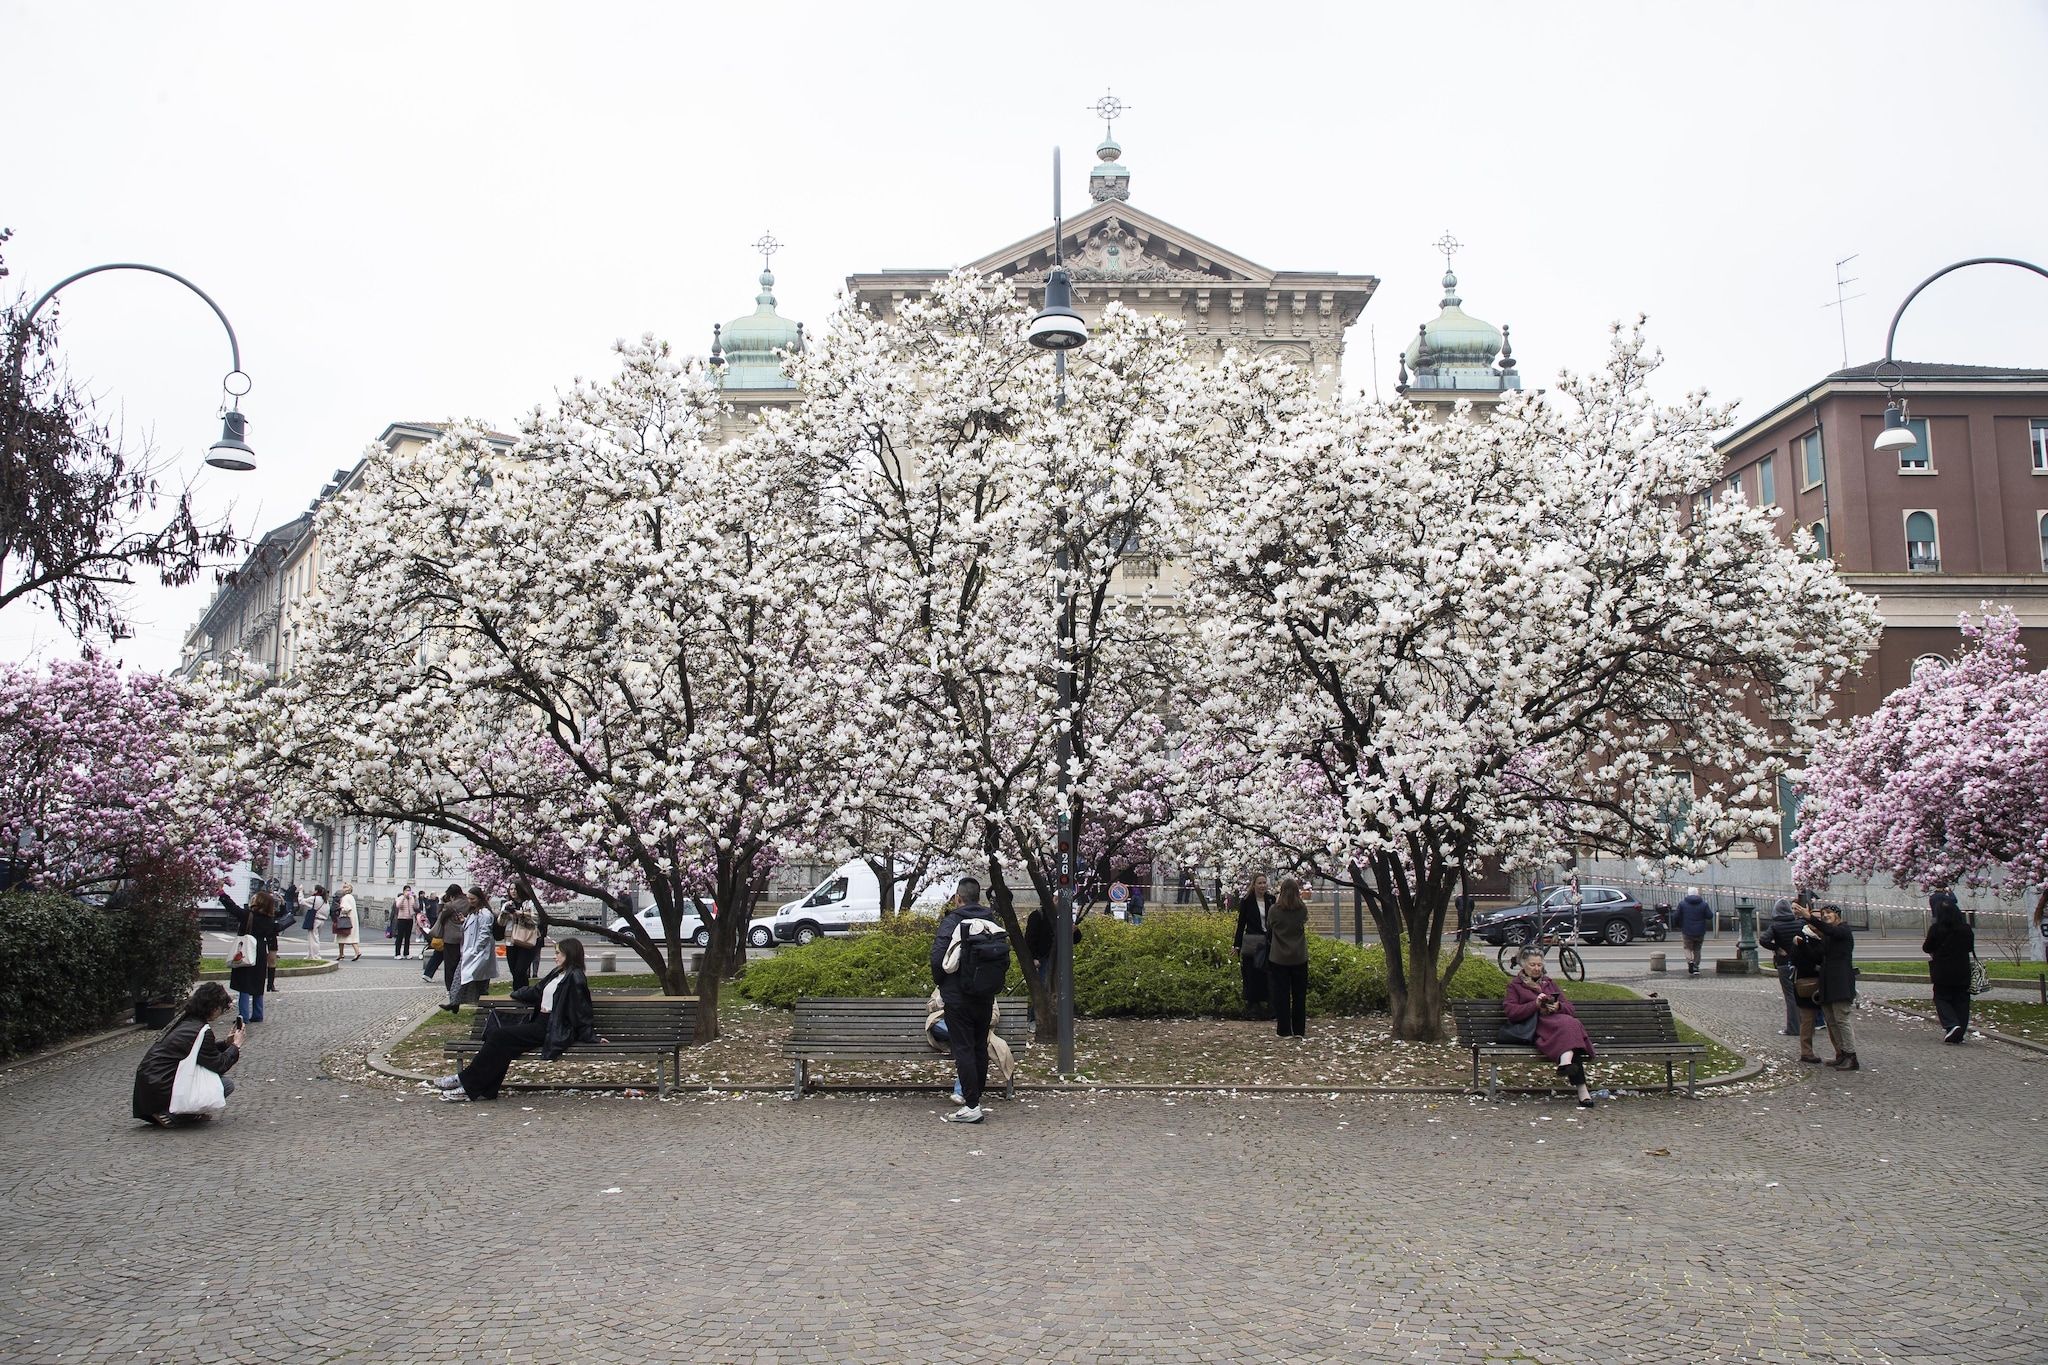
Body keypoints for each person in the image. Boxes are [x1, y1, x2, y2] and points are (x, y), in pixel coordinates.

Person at [432, 938, 601, 1101]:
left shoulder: (575, 977)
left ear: (569, 954)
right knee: (503, 1045)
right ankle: (485, 1089)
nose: (554, 956)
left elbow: (582, 1010)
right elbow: (536, 991)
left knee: (500, 1036)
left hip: (552, 1027)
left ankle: (465, 1083)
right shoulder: (558, 973)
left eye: (558, 953)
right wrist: (515, 993)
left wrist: (590, 1036)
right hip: (540, 1022)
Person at [929, 876, 1009, 1124]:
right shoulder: (990, 922)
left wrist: (942, 982)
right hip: (985, 996)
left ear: (958, 898)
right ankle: (976, 1101)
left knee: (963, 1049)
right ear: (979, 898)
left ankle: (971, 1105)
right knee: (978, 1047)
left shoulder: (953, 921)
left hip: (957, 997)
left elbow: (937, 957)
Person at [132, 982, 243, 1126]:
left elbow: (198, 1051)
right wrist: (236, 1046)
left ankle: (166, 1111)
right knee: (225, 1084)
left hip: (151, 1083)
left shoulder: (185, 1020)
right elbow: (219, 1064)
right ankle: (172, 1115)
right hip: (162, 1086)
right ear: (215, 1008)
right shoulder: (201, 1030)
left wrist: (225, 1045)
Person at [1505, 945, 1597, 1107]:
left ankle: (1566, 1064)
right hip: (1539, 1026)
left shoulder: (1549, 983)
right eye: (1532, 965)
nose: (1536, 969)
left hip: (1559, 1025)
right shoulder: (1515, 986)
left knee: (1571, 1026)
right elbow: (1512, 1012)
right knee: (1570, 1030)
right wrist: (1535, 1004)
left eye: (1539, 965)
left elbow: (1570, 1008)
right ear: (1523, 965)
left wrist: (1558, 1007)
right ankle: (1582, 1090)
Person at [1806, 902, 1859, 1070]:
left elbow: (1831, 930)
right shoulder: (1828, 936)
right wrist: (1800, 945)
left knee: (1842, 1018)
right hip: (1828, 981)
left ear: (1837, 914)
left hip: (1841, 980)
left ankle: (1851, 1056)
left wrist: (1810, 918)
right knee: (1831, 1019)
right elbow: (1816, 955)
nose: (1826, 915)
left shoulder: (1843, 930)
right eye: (1823, 914)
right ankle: (1842, 1053)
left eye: (1829, 913)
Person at [1922, 891, 1976, 1045]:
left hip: (1943, 970)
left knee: (1942, 998)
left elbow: (1927, 948)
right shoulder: (1965, 929)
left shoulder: (1937, 929)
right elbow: (1969, 947)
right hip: (1962, 970)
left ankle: (1952, 1025)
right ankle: (1959, 1030)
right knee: (1962, 1000)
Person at [1265, 875, 1311, 1040]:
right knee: (1299, 995)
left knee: (1281, 994)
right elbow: (1303, 922)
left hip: (1279, 957)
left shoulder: (1275, 910)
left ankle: (1284, 1029)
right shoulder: (1302, 910)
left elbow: (1269, 927)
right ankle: (1299, 1029)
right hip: (1299, 956)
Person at [444, 885, 499, 1011]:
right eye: (468, 899)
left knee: (477, 981)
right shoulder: (473, 912)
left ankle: (484, 1006)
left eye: (472, 899)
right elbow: (470, 929)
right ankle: (455, 1002)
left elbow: (484, 933)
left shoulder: (484, 913)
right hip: (470, 952)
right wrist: (464, 921)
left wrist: (476, 949)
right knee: (461, 978)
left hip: (478, 953)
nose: (470, 902)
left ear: (479, 898)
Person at [229, 891, 280, 1024]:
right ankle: (258, 1013)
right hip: (261, 949)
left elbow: (232, 908)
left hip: (247, 948)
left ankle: (243, 1015)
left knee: (244, 983)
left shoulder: (248, 915)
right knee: (258, 981)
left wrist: (222, 893)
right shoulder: (269, 919)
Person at [1759, 897, 1805, 1035]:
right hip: (1800, 962)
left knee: (1790, 996)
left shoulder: (1775, 926)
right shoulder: (1800, 924)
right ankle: (1806, 1026)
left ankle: (1793, 1027)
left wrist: (1777, 948)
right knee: (1801, 995)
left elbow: (1763, 940)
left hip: (1784, 963)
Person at [1788, 903, 1827, 1063]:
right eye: (1814, 918)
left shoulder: (1827, 937)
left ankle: (1841, 1051)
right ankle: (1806, 1051)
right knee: (1808, 1020)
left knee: (1832, 1019)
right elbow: (1796, 957)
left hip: (1826, 982)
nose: (1817, 921)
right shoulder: (1801, 935)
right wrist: (1814, 967)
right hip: (1807, 982)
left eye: (1820, 919)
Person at [1234, 873, 1274, 1021]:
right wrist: (1237, 945)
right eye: (1260, 883)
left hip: (1269, 942)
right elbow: (1241, 924)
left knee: (1269, 976)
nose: (1263, 886)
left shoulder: (1271, 900)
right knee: (1252, 975)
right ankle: (1253, 1010)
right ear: (1254, 885)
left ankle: (1272, 1009)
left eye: (1264, 883)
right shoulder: (1247, 901)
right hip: (1253, 942)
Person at [502, 883, 544, 992]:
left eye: (515, 889)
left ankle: (520, 994)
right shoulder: (507, 904)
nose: (513, 891)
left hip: (527, 939)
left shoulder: (530, 903)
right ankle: (521, 994)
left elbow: (537, 919)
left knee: (520, 970)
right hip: (511, 941)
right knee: (515, 972)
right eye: (511, 889)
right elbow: (501, 923)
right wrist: (504, 913)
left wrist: (522, 914)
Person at [429, 886, 469, 991]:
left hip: (451, 938)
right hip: (466, 937)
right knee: (463, 964)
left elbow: (440, 917)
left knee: (451, 966)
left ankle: (451, 988)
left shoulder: (450, 905)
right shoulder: (469, 902)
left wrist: (441, 902)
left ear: (451, 895)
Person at [1672, 886, 1714, 975]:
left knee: (1687, 947)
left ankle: (1689, 961)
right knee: (1697, 949)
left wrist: (1677, 925)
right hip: (1700, 931)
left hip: (1687, 930)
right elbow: (1709, 915)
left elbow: (1676, 916)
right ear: (1697, 894)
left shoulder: (1682, 904)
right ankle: (1696, 967)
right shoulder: (1703, 904)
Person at [332, 882, 363, 962]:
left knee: (344, 935)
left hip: (346, 919)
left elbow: (346, 908)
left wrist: (340, 908)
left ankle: (347, 953)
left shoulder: (345, 898)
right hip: (352, 919)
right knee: (351, 937)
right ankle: (351, 952)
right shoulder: (351, 897)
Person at [391, 884, 417, 958]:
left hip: (410, 919)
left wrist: (415, 898)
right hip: (402, 918)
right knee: (400, 936)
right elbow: (398, 906)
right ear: (403, 891)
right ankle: (397, 953)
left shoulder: (411, 898)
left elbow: (416, 906)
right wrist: (404, 898)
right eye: (406, 890)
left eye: (409, 890)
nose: (408, 892)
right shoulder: (400, 898)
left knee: (408, 937)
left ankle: (406, 953)